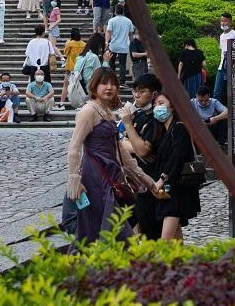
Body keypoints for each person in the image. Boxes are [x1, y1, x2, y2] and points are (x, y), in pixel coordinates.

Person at [122, 75, 202, 241]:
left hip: (176, 188)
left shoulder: (179, 128)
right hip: (166, 190)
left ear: (172, 106)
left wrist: (162, 179)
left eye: (161, 103)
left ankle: (164, 265)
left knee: (165, 239)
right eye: (156, 104)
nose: (158, 108)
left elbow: (176, 158)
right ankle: (181, 265)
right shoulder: (164, 130)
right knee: (174, 236)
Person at [63, 69, 128, 243]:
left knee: (108, 230)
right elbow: (74, 147)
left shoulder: (107, 111)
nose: (109, 87)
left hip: (109, 175)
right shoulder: (89, 111)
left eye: (113, 83)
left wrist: (141, 177)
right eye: (104, 83)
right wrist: (75, 178)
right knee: (105, 231)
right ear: (94, 86)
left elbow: (119, 149)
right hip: (94, 176)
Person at [70, 32, 105, 106]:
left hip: (81, 91)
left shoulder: (81, 56)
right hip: (91, 92)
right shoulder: (93, 57)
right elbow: (100, 76)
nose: (101, 49)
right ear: (98, 45)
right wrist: (106, 62)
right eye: (101, 46)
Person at [212, 13, 235, 103]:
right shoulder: (221, 36)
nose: (223, 23)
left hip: (232, 67)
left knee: (233, 91)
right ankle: (215, 114)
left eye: (225, 21)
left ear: (230, 22)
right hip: (221, 67)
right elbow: (222, 51)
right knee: (217, 92)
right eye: (221, 21)